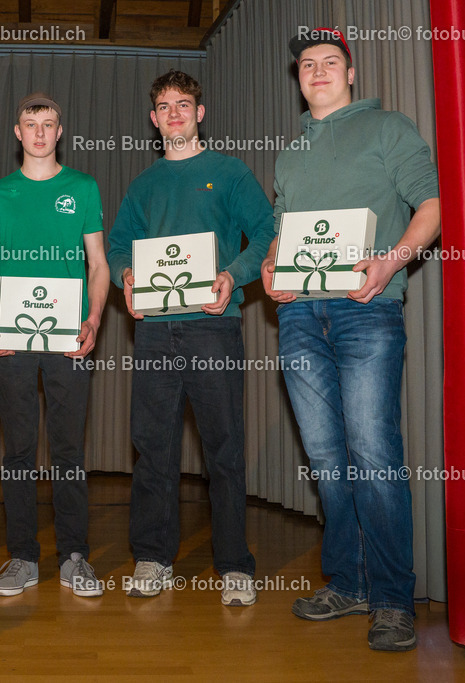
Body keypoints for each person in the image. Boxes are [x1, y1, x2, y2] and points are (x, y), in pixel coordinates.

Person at [261, 28, 441, 651]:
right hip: (299, 317)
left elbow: (431, 210)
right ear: (299, 77)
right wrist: (268, 267)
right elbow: (284, 237)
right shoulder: (290, 154)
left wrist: (391, 262)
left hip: (367, 311)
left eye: (329, 62)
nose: (316, 72)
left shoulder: (390, 128)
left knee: (374, 455)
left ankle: (393, 599)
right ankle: (349, 581)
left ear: (351, 72)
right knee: (327, 460)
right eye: (306, 64)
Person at [106, 70, 274, 606]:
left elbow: (268, 233)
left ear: (200, 113)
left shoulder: (230, 173)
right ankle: (152, 558)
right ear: (153, 119)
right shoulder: (144, 185)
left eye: (184, 104)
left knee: (223, 449)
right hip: (153, 332)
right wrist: (125, 276)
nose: (175, 113)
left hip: (213, 327)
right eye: (164, 106)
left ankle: (234, 565)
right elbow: (115, 249)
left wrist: (233, 274)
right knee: (152, 448)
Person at [0, 92, 109, 598]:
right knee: (20, 451)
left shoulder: (83, 187)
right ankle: (22, 557)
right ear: (18, 132)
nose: (40, 133)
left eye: (49, 124)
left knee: (69, 450)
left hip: (69, 337)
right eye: (32, 124)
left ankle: (74, 556)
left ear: (60, 131)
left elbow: (98, 263)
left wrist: (93, 319)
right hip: (12, 340)